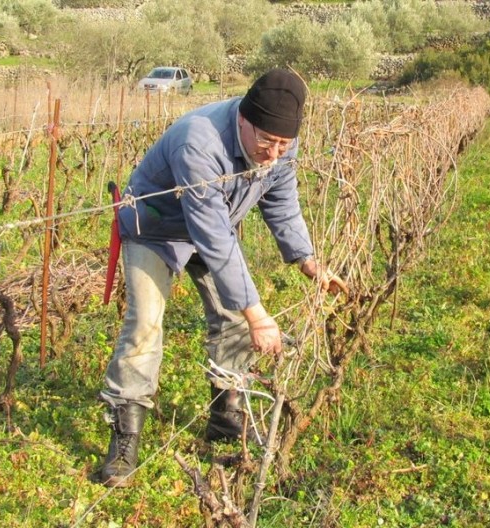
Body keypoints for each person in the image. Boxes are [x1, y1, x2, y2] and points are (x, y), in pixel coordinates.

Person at [98, 68, 348, 488]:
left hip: (213, 226)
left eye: (283, 145)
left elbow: (282, 201)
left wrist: (309, 262)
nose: (273, 154)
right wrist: (258, 314)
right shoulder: (200, 141)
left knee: (231, 319)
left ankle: (225, 417)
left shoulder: (280, 144)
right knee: (144, 325)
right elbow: (211, 233)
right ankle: (125, 440)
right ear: (243, 120)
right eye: (266, 142)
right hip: (156, 229)